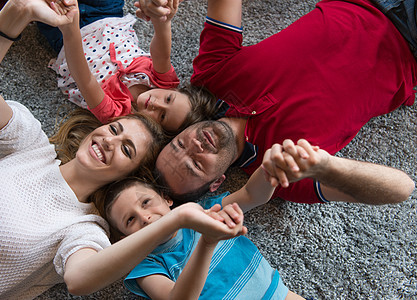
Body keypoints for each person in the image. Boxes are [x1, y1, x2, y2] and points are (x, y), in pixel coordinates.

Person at [0, 0, 242, 298]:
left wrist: (175, 219)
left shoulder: (83, 228)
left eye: (127, 150)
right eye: (114, 129)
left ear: (127, 175)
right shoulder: (32, 145)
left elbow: (80, 280)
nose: (110, 141)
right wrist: (15, 11)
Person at [138, 0, 416, 204]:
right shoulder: (284, 176)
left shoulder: (212, 76)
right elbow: (401, 188)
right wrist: (327, 167)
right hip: (409, 45)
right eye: (196, 165)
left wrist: (162, 6)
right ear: (217, 183)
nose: (195, 146)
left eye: (180, 144)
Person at [99, 145, 312, 299]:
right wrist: (207, 243)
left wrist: (269, 171)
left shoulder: (205, 211)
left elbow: (250, 194)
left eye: (146, 202)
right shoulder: (147, 266)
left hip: (278, 294)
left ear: (167, 199)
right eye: (130, 220)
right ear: (124, 238)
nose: (145, 217)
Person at [51, 0, 217, 135]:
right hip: (108, 17)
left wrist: (70, 29)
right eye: (168, 99)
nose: (156, 105)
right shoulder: (164, 82)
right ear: (174, 90)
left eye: (162, 116)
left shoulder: (119, 115)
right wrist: (162, 21)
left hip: (67, 36)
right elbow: (161, 55)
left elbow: (85, 80)